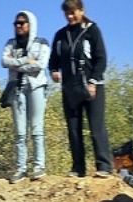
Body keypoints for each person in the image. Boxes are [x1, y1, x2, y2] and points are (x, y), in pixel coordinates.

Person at [48, 0, 113, 178]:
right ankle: (78, 167)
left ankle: (104, 166)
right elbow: (53, 59)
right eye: (67, 13)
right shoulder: (60, 35)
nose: (70, 16)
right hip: (70, 88)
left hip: (92, 85)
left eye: (73, 12)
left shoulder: (92, 30)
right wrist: (53, 71)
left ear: (81, 10)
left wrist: (93, 81)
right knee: (73, 129)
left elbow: (101, 58)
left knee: (96, 126)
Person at [1, 10, 50, 184]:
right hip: (16, 89)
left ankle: (39, 166)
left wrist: (16, 64)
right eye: (16, 23)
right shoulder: (10, 43)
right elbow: (4, 61)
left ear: (31, 24)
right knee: (20, 133)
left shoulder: (42, 42)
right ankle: (20, 168)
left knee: (37, 129)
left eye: (22, 23)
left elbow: (41, 65)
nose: (19, 26)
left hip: (36, 87)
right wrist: (25, 61)